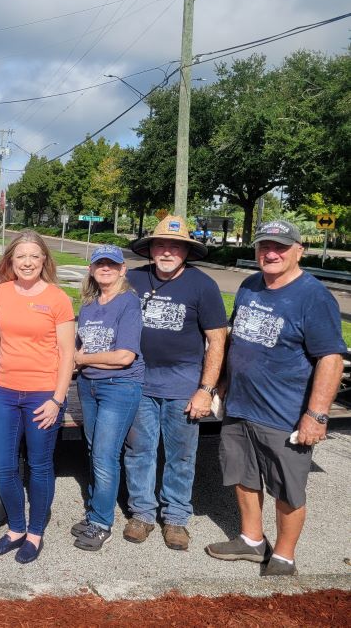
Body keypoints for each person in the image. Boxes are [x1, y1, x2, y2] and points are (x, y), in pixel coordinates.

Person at [205, 220, 345, 576]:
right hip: (241, 406)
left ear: (299, 250)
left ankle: (283, 556)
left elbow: (330, 358)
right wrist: (221, 382)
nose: (271, 253)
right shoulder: (250, 285)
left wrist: (316, 415)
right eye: (264, 246)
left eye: (280, 247)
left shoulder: (313, 297)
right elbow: (237, 337)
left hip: (285, 414)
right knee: (243, 476)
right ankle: (252, 540)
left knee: (287, 488)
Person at [0, 231, 75, 564]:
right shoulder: (0, 293)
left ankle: (35, 534)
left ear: (44, 260)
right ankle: (16, 529)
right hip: (6, 391)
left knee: (39, 466)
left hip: (42, 394)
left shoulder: (58, 299)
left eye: (35, 256)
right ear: (10, 260)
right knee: (3, 466)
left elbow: (68, 354)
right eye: (21, 256)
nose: (27, 262)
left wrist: (56, 399)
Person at [122, 216, 228, 550]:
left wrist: (206, 389)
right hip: (138, 382)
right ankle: (142, 514)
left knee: (181, 455)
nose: (167, 252)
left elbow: (217, 341)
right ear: (151, 248)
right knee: (139, 451)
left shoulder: (203, 285)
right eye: (161, 245)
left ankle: (177, 519)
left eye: (175, 246)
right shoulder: (133, 278)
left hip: (184, 386)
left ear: (186, 251)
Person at [71, 244, 144, 552]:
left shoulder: (128, 302)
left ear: (122, 270)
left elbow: (125, 357)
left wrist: (85, 360)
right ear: (91, 269)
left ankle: (101, 523)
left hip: (119, 386)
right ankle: (94, 512)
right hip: (89, 387)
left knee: (104, 454)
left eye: (111, 265)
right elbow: (77, 350)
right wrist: (83, 360)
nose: (105, 268)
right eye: (99, 264)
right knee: (93, 449)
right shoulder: (89, 305)